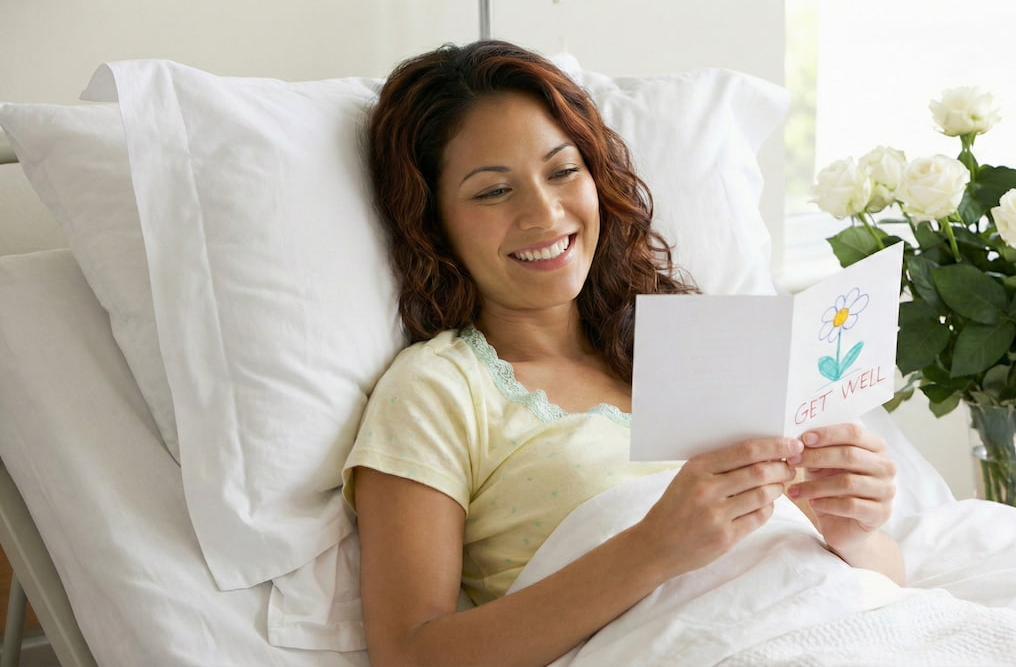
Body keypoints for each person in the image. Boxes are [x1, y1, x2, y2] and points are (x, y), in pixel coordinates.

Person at [343, 40, 903, 667]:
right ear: (432, 219)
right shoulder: (438, 390)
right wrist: (656, 548)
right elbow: (410, 653)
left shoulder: (706, 348)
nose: (545, 213)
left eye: (562, 171)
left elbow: (874, 587)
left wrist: (852, 528)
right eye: (494, 192)